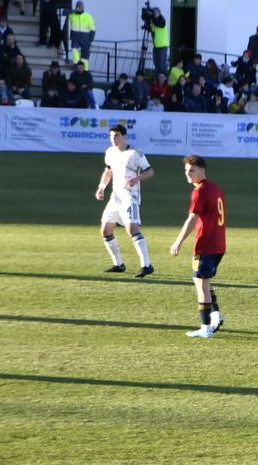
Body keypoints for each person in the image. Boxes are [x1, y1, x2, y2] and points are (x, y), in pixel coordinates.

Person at [168, 154, 227, 338]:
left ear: (202, 170)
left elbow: (192, 218)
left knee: (201, 285)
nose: (188, 174)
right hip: (219, 244)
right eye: (186, 170)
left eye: (192, 170)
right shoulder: (216, 188)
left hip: (205, 245)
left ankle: (206, 328)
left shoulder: (199, 191)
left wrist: (178, 241)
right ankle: (216, 315)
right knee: (203, 281)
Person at [94, 124, 155, 277]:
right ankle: (118, 264)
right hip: (115, 197)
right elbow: (108, 171)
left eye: (116, 135)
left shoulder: (135, 153)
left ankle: (147, 265)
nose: (113, 139)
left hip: (130, 196)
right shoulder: (110, 152)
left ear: (124, 136)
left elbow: (150, 171)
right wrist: (101, 187)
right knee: (105, 230)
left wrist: (137, 178)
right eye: (111, 136)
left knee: (132, 230)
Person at [66, 0, 94, 65]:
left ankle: (85, 69)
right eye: (78, 7)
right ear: (76, 7)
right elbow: (64, 12)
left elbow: (92, 29)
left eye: (81, 7)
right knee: (75, 51)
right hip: (75, 37)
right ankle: (76, 65)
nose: (80, 8)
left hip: (85, 38)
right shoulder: (72, 14)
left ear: (83, 7)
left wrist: (90, 40)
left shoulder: (88, 16)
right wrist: (74, 10)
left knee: (85, 56)